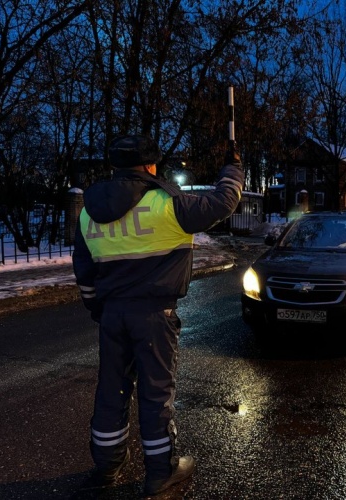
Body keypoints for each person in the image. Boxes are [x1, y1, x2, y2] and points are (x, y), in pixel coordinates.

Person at [73, 135, 244, 496]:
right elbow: (225, 201)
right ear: (151, 166)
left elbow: (84, 271)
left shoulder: (89, 211)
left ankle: (106, 467)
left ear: (116, 166)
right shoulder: (169, 203)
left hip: (112, 314)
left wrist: (97, 309)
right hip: (154, 315)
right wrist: (232, 167)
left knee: (111, 389)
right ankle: (160, 473)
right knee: (156, 394)